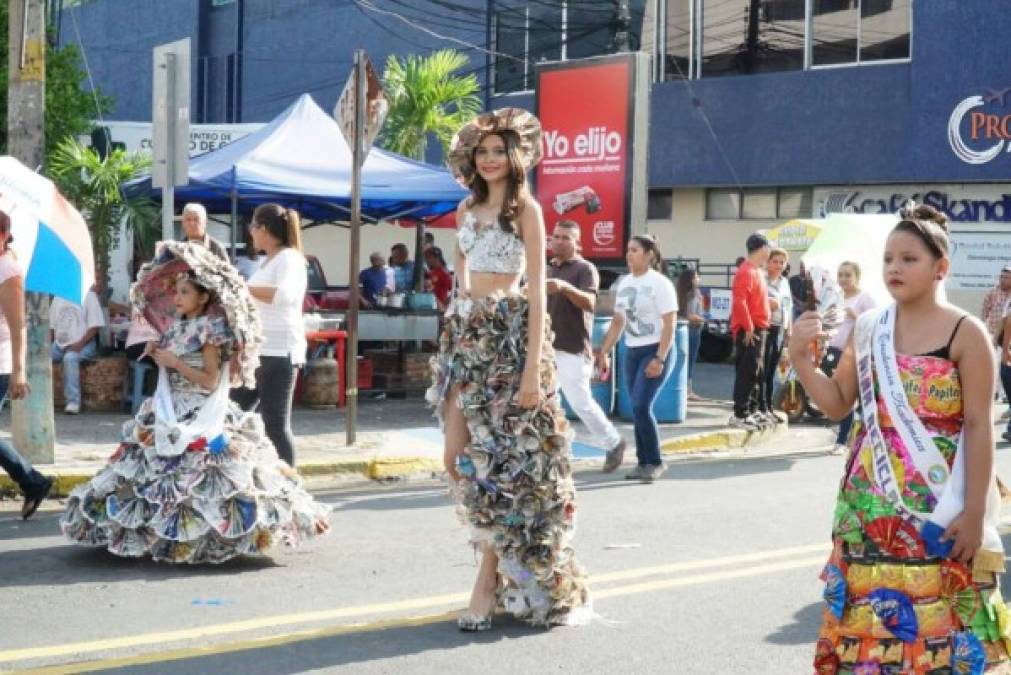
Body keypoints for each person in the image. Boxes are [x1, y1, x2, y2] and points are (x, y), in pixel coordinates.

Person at [790, 204, 1008, 672]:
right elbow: (837, 403)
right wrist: (802, 360)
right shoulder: (869, 329)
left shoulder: (966, 333)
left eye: (909, 258)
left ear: (940, 268)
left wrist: (973, 513)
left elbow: (978, 425)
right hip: (870, 504)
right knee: (869, 626)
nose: (894, 267)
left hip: (939, 506)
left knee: (938, 626)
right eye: (888, 258)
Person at [61, 242, 330, 563]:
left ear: (203, 297)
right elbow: (170, 362)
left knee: (205, 478)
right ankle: (164, 533)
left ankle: (208, 536)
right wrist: (157, 355)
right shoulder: (176, 327)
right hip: (167, 406)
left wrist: (173, 362)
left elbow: (210, 380)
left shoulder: (210, 331)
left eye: (185, 292)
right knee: (157, 475)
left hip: (201, 410)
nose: (177, 298)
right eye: (176, 291)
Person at [432, 107, 590, 631]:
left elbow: (539, 292)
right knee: (457, 460)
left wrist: (530, 372)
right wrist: (452, 345)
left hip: (508, 342)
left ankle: (487, 577)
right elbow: (459, 283)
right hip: (464, 341)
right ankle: (492, 565)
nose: (491, 158)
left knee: (503, 468)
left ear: (514, 156)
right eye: (482, 151)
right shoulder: (465, 209)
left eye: (499, 150)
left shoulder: (527, 210)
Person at [547, 220, 626, 472]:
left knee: (580, 402)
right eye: (556, 236)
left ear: (577, 243)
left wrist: (565, 287)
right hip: (547, 347)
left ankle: (614, 442)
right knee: (545, 403)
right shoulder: (547, 269)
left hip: (571, 348)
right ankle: (552, 453)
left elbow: (591, 302)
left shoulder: (585, 269)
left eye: (566, 238)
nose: (559, 241)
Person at [232, 204, 307, 468]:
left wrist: (242, 286)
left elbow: (284, 295)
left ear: (263, 229)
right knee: (234, 415)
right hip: (258, 352)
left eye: (252, 227)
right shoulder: (268, 260)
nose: (251, 232)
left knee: (275, 423)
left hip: (280, 352)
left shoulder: (290, 259)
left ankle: (291, 484)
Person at [597, 235, 677, 483]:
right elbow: (618, 322)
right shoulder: (624, 283)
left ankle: (655, 460)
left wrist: (659, 358)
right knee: (636, 409)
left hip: (655, 349)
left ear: (649, 254)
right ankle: (643, 463)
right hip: (632, 351)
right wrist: (604, 351)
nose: (629, 255)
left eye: (635, 250)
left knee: (642, 405)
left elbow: (670, 324)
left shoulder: (659, 284)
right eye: (628, 250)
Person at [0, 209, 52, 519]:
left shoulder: (8, 270)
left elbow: (20, 325)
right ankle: (33, 482)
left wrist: (20, 370)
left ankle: (32, 481)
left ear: (4, 235)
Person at [820, 261, 876, 455]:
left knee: (846, 396)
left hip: (852, 354)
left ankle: (842, 440)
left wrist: (857, 316)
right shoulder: (835, 296)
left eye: (847, 275)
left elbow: (874, 324)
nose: (843, 279)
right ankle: (849, 431)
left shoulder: (864, 297)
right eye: (841, 274)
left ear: (857, 277)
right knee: (835, 394)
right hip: (830, 350)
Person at [729, 233, 772, 430]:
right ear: (763, 248)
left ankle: (752, 410)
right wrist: (748, 327)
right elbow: (740, 301)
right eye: (768, 248)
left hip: (758, 327)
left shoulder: (755, 271)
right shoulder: (746, 271)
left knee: (756, 371)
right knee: (748, 371)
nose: (769, 252)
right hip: (751, 329)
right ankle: (740, 413)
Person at [50, 286, 105, 414]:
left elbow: (95, 327)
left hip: (85, 344)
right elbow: (52, 328)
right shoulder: (57, 298)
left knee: (70, 358)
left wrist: (79, 344)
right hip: (59, 344)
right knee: (39, 358)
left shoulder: (89, 296)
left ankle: (73, 402)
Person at [762, 248, 792, 422]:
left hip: (781, 328)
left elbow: (788, 307)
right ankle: (761, 406)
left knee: (773, 369)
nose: (779, 265)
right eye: (776, 261)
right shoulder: (762, 280)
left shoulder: (785, 283)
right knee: (763, 369)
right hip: (767, 327)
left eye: (782, 262)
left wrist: (790, 329)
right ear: (768, 262)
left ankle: (768, 406)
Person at [676, 267, 706, 401]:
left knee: (683, 360)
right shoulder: (694, 294)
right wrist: (705, 319)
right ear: (692, 280)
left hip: (683, 330)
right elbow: (691, 316)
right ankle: (688, 390)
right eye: (696, 277)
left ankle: (684, 388)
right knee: (690, 360)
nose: (699, 279)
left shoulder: (681, 293)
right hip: (693, 329)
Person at [980, 264, 1011, 343]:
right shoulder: (992, 293)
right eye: (1001, 277)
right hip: (994, 335)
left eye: (1006, 277)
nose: (1002, 280)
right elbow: (984, 314)